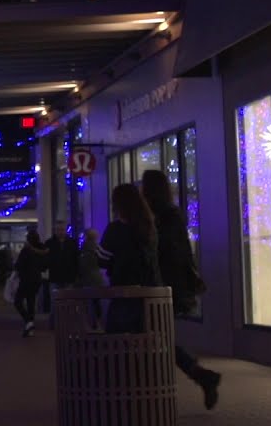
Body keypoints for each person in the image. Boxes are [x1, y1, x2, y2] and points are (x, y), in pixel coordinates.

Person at [141, 169, 221, 410]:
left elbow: (168, 252)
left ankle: (193, 376)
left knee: (154, 337)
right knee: (157, 337)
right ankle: (198, 375)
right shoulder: (171, 215)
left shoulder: (160, 217)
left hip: (163, 286)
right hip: (170, 286)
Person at [97, 183, 160, 335]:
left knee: (117, 341)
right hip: (150, 294)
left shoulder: (115, 229)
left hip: (122, 294)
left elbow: (102, 260)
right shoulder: (149, 227)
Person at [14, 231, 47, 336]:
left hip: (26, 279)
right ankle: (30, 327)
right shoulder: (43, 249)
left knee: (17, 301)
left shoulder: (26, 250)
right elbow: (44, 265)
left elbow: (18, 265)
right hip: (37, 279)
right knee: (31, 301)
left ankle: (29, 322)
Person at [45, 220, 79, 320]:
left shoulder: (72, 243)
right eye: (58, 229)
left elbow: (76, 259)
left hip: (69, 276)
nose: (60, 232)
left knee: (68, 300)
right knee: (54, 301)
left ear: (66, 230)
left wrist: (76, 274)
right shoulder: (49, 243)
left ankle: (67, 321)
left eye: (62, 229)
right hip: (55, 276)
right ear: (54, 230)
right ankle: (55, 322)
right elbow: (46, 259)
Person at [76, 228, 106, 327]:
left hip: (84, 279)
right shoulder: (96, 247)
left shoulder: (83, 248)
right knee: (96, 302)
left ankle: (87, 323)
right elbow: (104, 259)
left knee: (86, 302)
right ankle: (97, 322)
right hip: (95, 279)